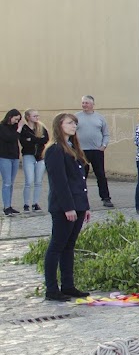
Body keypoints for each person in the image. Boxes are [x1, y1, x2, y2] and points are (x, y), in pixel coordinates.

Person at [42, 113, 92, 301]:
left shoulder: (73, 148)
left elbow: (81, 181)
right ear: (59, 125)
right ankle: (52, 289)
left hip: (78, 203)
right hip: (64, 206)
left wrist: (84, 206)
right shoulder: (55, 150)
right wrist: (68, 207)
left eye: (75, 123)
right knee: (57, 246)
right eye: (70, 123)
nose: (74, 126)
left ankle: (68, 285)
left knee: (69, 247)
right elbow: (59, 182)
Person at [76, 95, 112, 208]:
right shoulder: (76, 117)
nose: (84, 105)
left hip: (97, 150)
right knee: (81, 175)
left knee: (100, 175)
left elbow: (106, 134)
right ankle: (80, 198)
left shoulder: (100, 118)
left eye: (86, 103)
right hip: (81, 151)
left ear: (92, 104)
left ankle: (106, 198)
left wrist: (104, 145)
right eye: (83, 103)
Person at [19, 109, 48, 212]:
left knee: (38, 181)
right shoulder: (24, 129)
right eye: (34, 116)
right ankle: (26, 204)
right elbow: (24, 142)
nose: (37, 118)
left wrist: (32, 139)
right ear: (28, 117)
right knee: (29, 181)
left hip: (40, 156)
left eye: (37, 116)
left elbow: (45, 140)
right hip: (28, 156)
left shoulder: (41, 127)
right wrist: (37, 140)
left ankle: (35, 203)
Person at [0, 109, 24, 216]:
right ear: (10, 117)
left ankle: (9, 205)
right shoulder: (2, 127)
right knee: (7, 182)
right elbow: (10, 138)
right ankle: (6, 207)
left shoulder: (15, 127)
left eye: (18, 120)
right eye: (16, 119)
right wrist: (19, 129)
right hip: (4, 157)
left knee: (11, 183)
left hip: (14, 157)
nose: (16, 121)